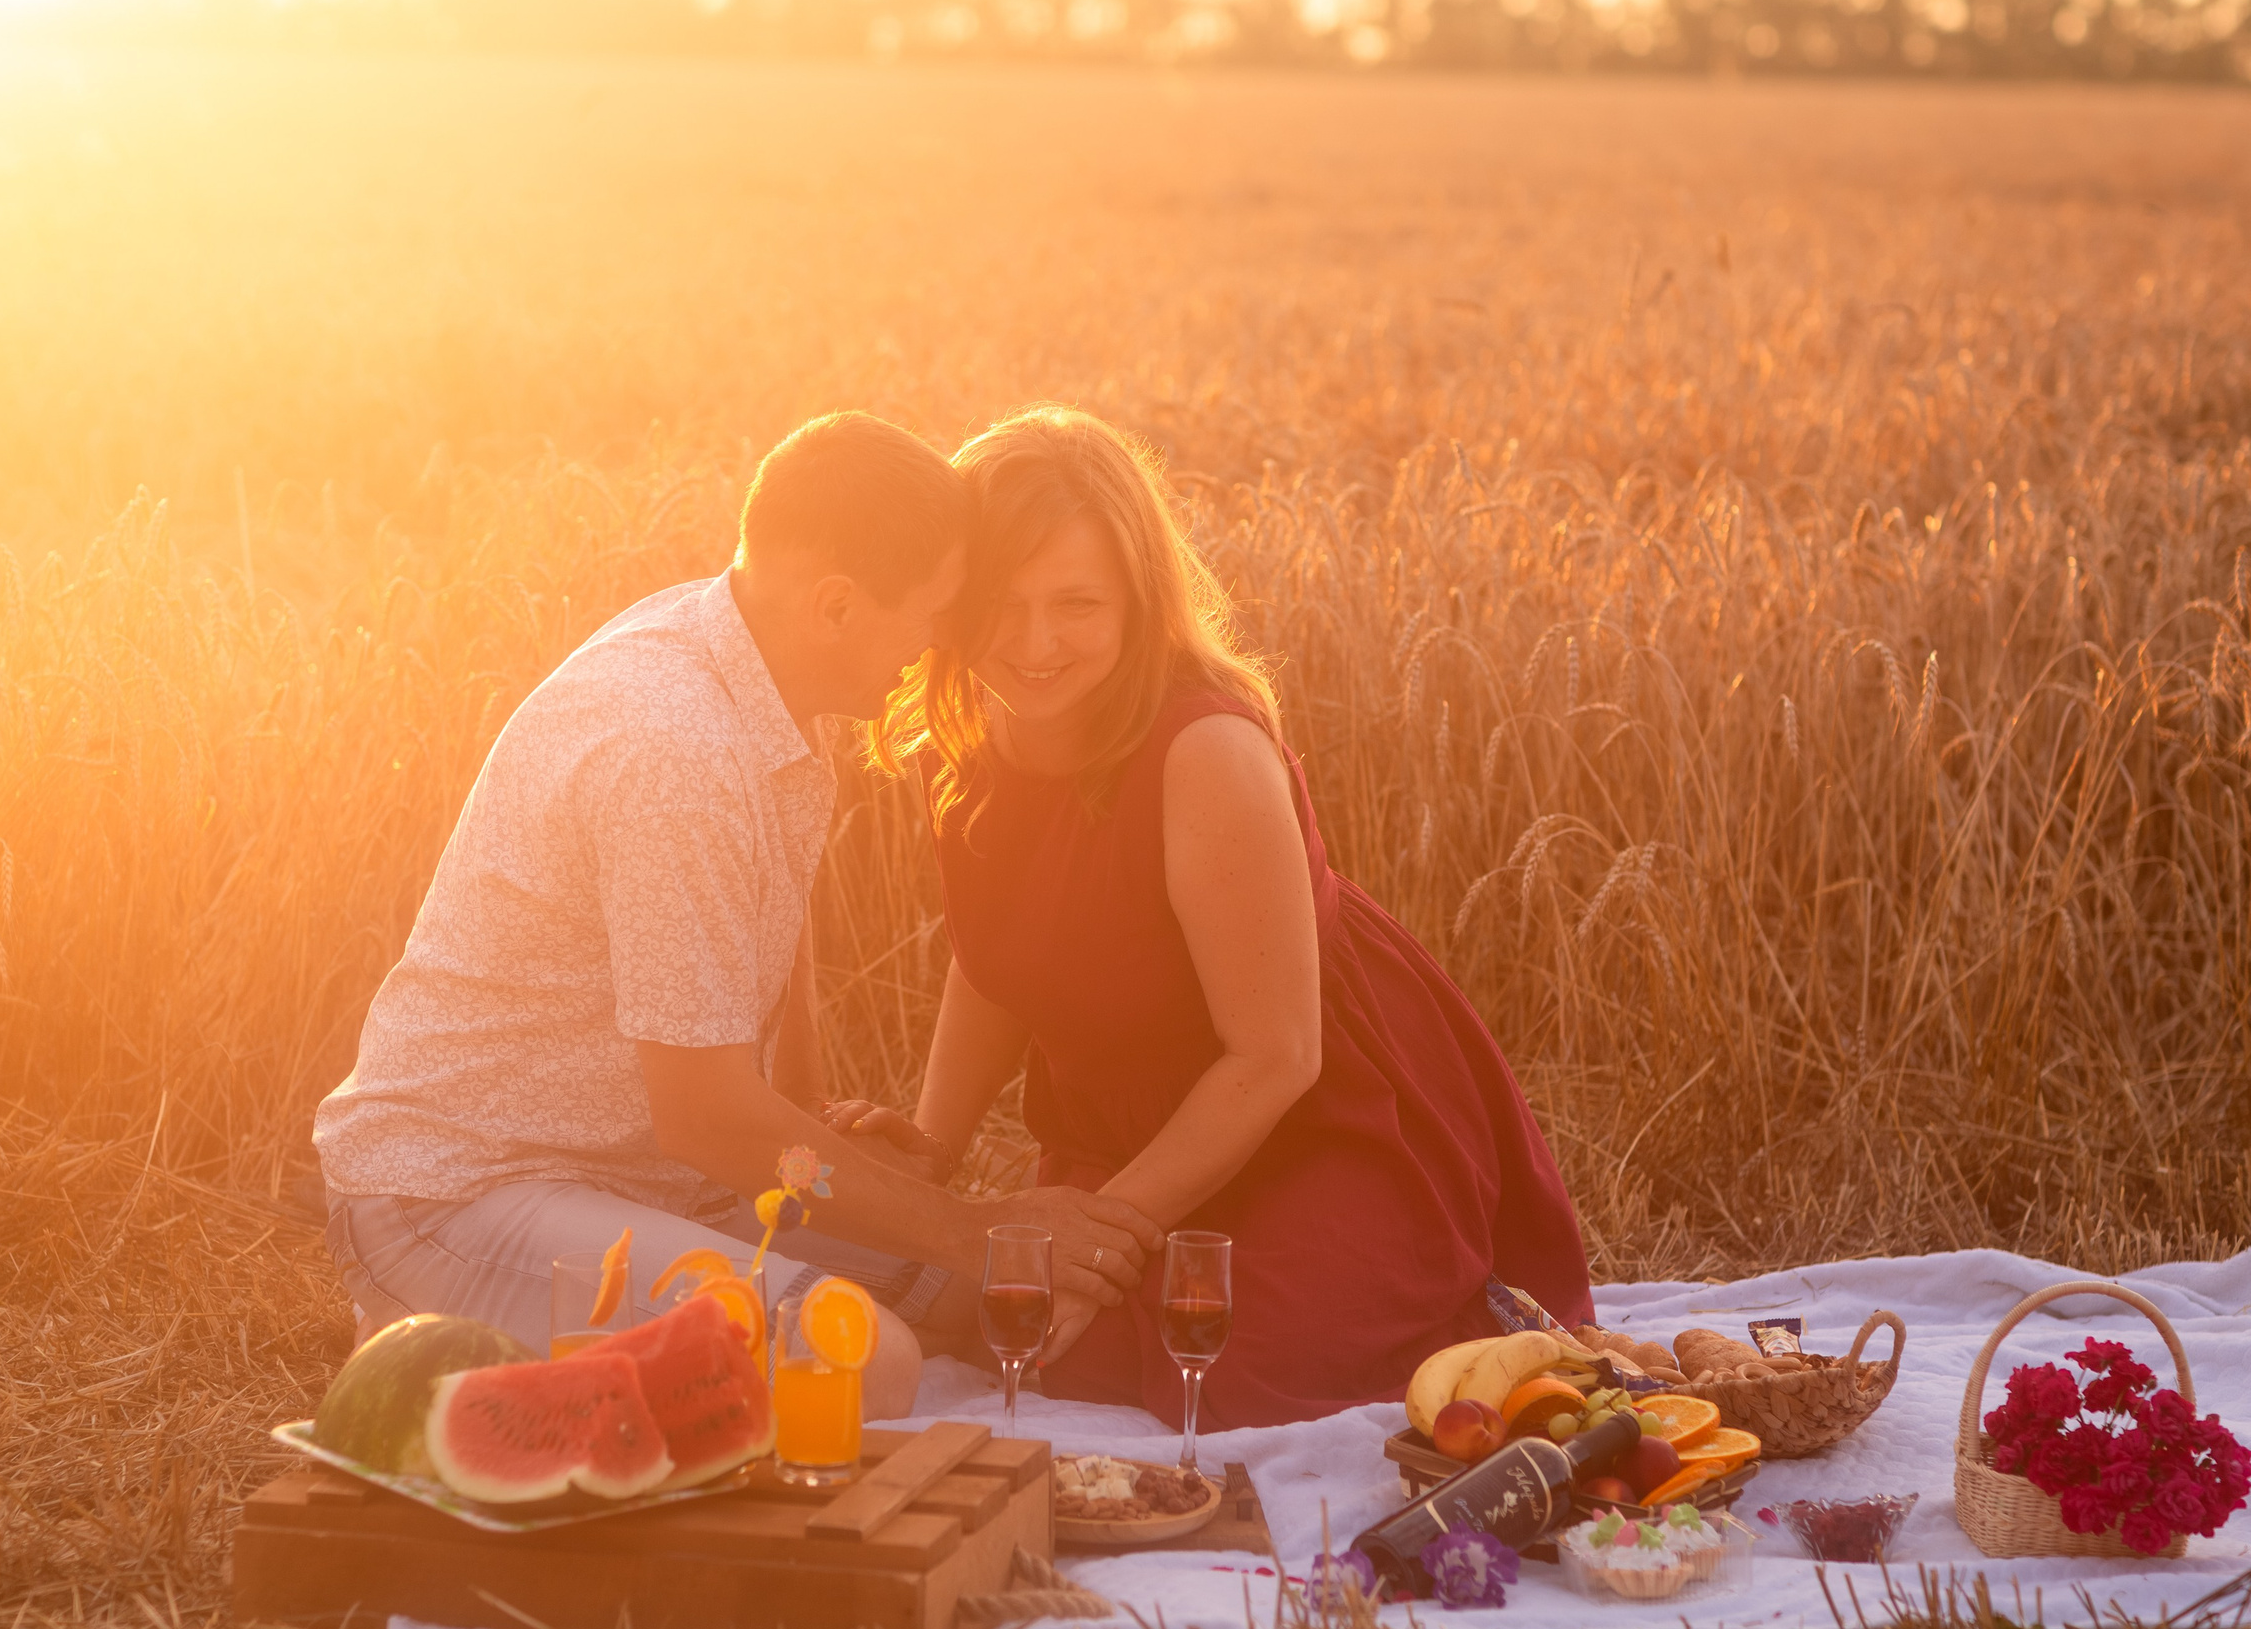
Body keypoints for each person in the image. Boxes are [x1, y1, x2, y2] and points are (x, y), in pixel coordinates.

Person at [313, 411, 1164, 1415]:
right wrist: (966, 1222)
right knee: (867, 1361)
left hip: (650, 1179)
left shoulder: (763, 666)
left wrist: (810, 1141)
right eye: (931, 611)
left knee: (999, 1301)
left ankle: (562, 1337)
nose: (941, 640)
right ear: (838, 603)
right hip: (458, 1191)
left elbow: (772, 923)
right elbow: (705, 1112)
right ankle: (447, 1352)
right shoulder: (674, 751)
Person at [832, 406, 1595, 1429]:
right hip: (1137, 1129)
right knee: (1041, 1332)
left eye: (1076, 602)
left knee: (1226, 1359)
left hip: (1319, 1122)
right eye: (1000, 604)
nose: (1034, 642)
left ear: (1141, 601)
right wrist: (932, 1145)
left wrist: (1100, 1247)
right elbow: (997, 955)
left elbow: (1274, 1056)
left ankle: (1460, 1290)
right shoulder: (978, 728)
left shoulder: (1205, 753)